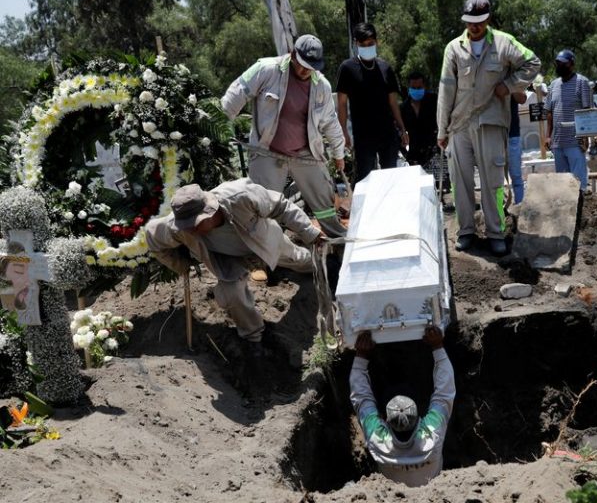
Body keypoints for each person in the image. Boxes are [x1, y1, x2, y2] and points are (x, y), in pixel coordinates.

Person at [145, 179, 324, 358]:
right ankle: (253, 336)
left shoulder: (240, 196)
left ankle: (323, 266)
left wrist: (309, 232)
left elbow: (281, 206)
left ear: (210, 211)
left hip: (264, 244)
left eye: (195, 223)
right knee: (231, 293)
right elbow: (152, 236)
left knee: (300, 260)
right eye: (186, 226)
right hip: (226, 260)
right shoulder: (176, 226)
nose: (190, 230)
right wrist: (181, 265)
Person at [437, 0, 541, 255]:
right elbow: (445, 90)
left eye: (479, 22)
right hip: (459, 125)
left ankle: (496, 232)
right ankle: (466, 231)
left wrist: (508, 86)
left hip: (491, 123)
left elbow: (533, 63)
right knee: (460, 183)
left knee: (493, 181)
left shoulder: (505, 43)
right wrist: (442, 129)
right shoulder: (454, 48)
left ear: (488, 19)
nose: (474, 27)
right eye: (470, 22)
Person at [220, 34, 346, 239]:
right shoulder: (265, 69)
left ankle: (338, 241)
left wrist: (339, 154)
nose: (306, 71)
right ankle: (266, 253)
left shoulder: (322, 86)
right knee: (262, 204)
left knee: (324, 200)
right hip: (267, 151)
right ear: (293, 54)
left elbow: (330, 122)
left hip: (305, 153)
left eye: (311, 67)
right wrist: (218, 126)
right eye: (302, 64)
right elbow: (236, 94)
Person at [350, 326, 455, 487]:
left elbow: (362, 399)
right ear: (420, 416)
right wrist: (437, 346)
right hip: (432, 491)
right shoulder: (431, 435)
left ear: (384, 420)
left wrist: (361, 355)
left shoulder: (378, 439)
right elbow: (444, 394)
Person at [336, 22, 409, 183]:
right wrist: (343, 132)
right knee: (365, 180)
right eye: (362, 44)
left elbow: (393, 102)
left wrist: (403, 129)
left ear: (377, 42)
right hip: (363, 136)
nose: (367, 47)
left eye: (370, 43)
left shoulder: (385, 68)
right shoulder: (347, 68)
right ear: (356, 44)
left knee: (390, 179)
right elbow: (341, 103)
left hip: (388, 134)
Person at [544, 49, 592, 192]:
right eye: (557, 63)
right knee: (562, 184)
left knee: (578, 182)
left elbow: (586, 111)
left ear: (571, 64)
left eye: (562, 63)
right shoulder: (553, 85)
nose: (559, 66)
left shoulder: (582, 82)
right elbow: (549, 112)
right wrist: (548, 136)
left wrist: (585, 136)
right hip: (557, 142)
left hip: (575, 141)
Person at [400, 71, 439, 169]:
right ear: (409, 88)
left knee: (440, 182)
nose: (416, 90)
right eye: (413, 88)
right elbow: (401, 132)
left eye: (419, 88)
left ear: (424, 87)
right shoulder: (403, 108)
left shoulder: (435, 101)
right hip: (414, 156)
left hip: (435, 152)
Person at [508, 91, 528, 204]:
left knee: (516, 176)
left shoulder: (513, 79)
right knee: (494, 180)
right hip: (493, 136)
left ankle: (520, 208)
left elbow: (522, 99)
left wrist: (510, 85)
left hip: (512, 135)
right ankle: (498, 213)